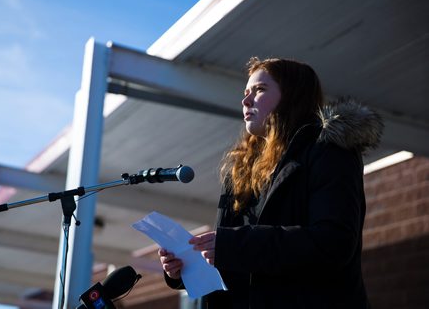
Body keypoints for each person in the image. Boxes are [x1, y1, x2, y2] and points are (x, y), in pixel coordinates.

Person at [158, 57, 383, 308]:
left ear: (292, 96)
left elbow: (333, 243)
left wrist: (232, 246)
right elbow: (236, 259)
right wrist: (188, 265)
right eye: (245, 93)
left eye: (260, 90)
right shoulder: (241, 168)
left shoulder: (329, 152)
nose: (245, 101)